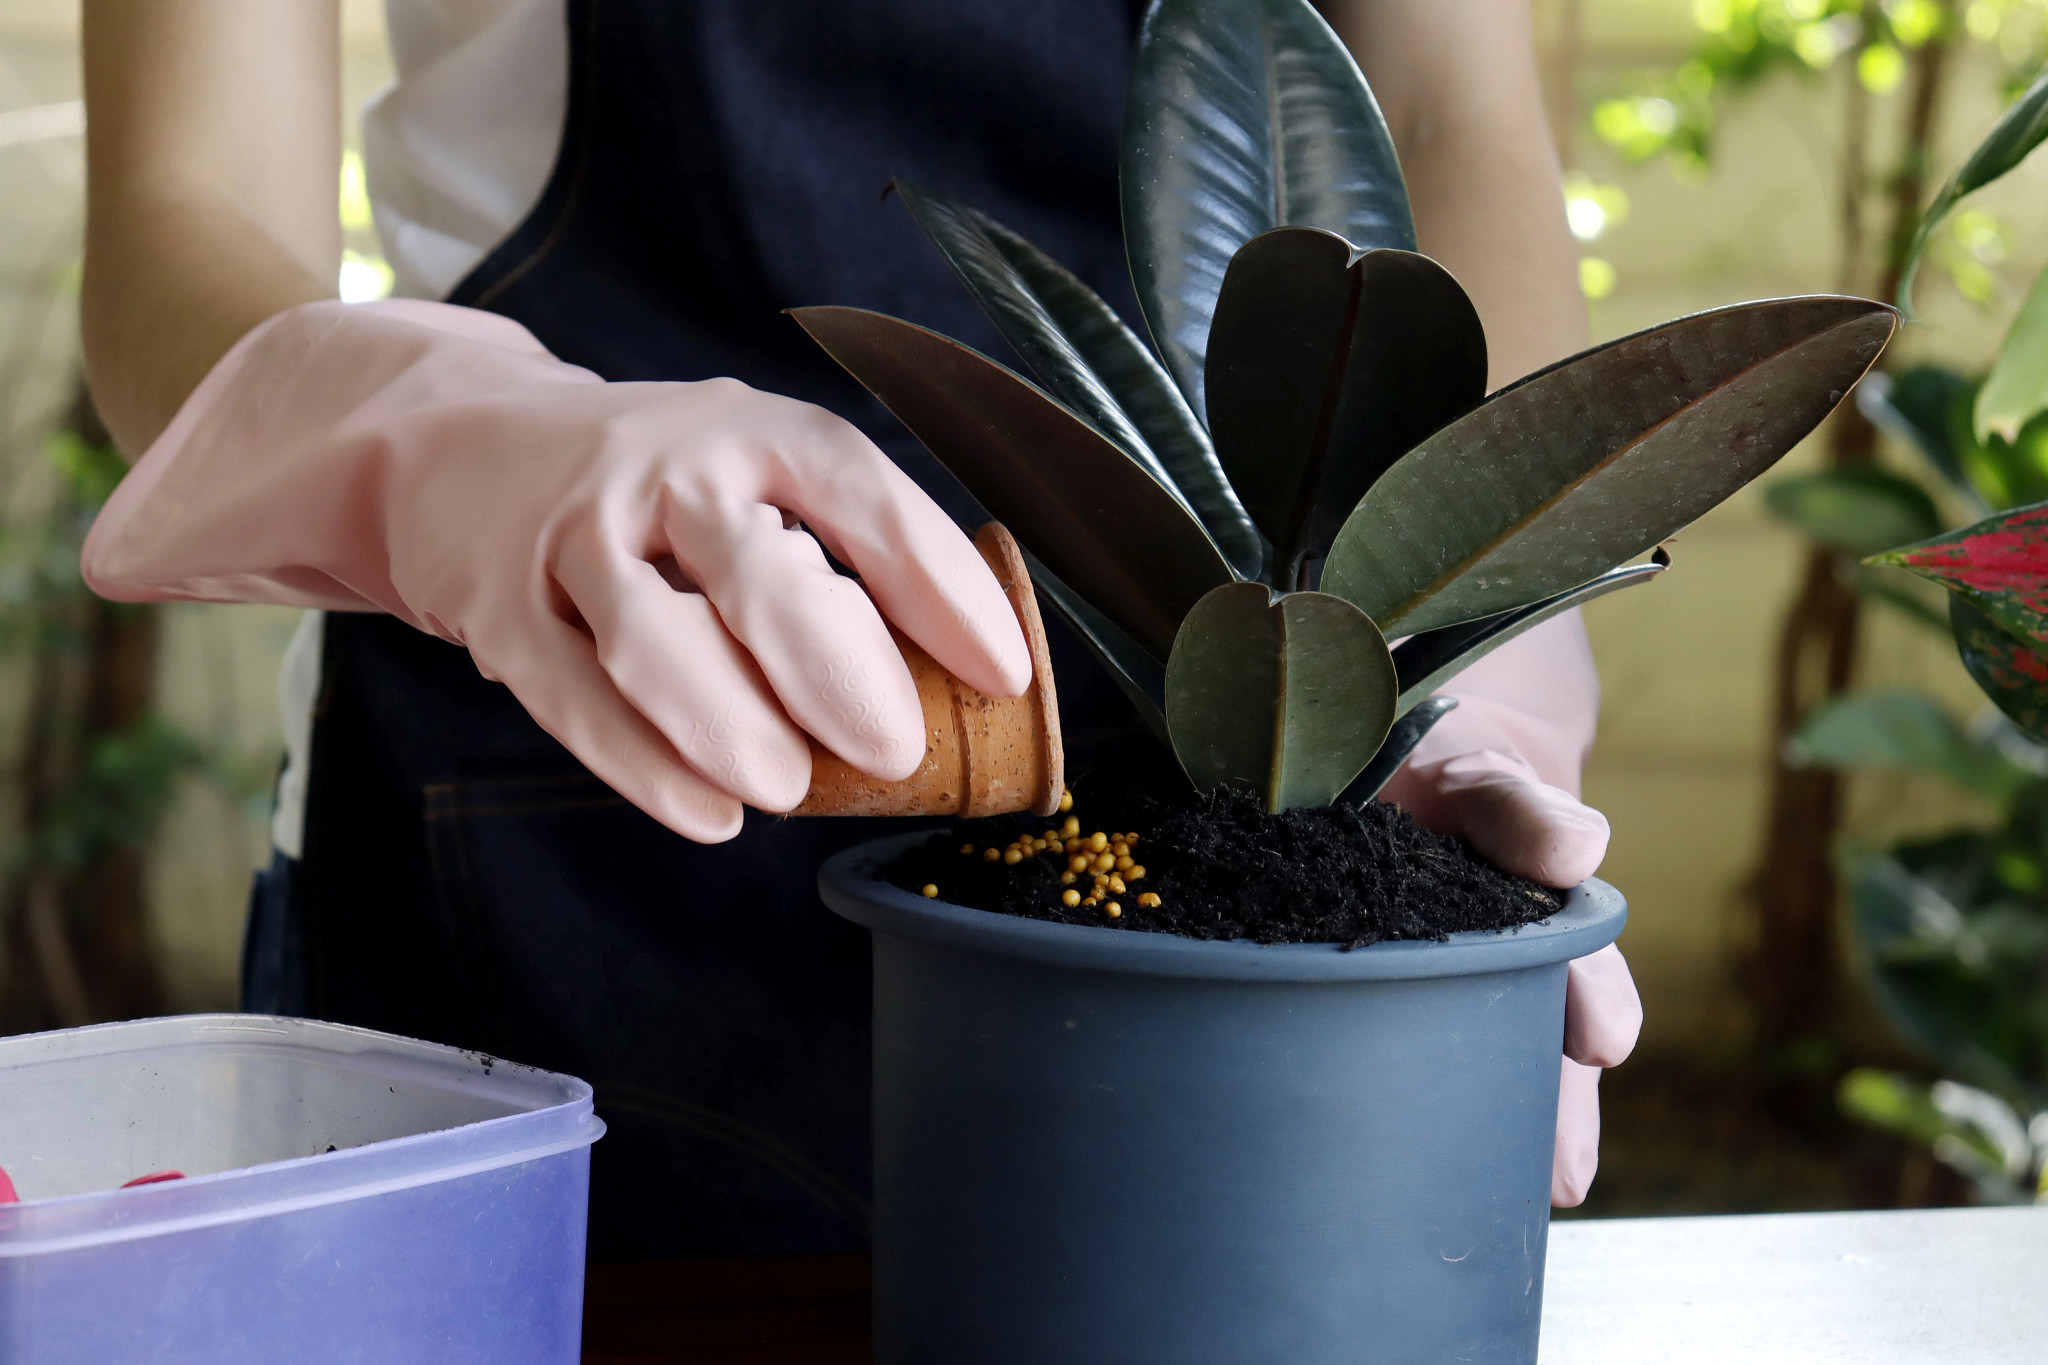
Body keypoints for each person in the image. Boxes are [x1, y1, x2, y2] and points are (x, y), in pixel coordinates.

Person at [78, 0, 1642, 1263]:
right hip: (536, 837)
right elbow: (178, 207)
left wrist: (1465, 666)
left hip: (1217, 856)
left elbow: (1446, 115)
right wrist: (448, 442)